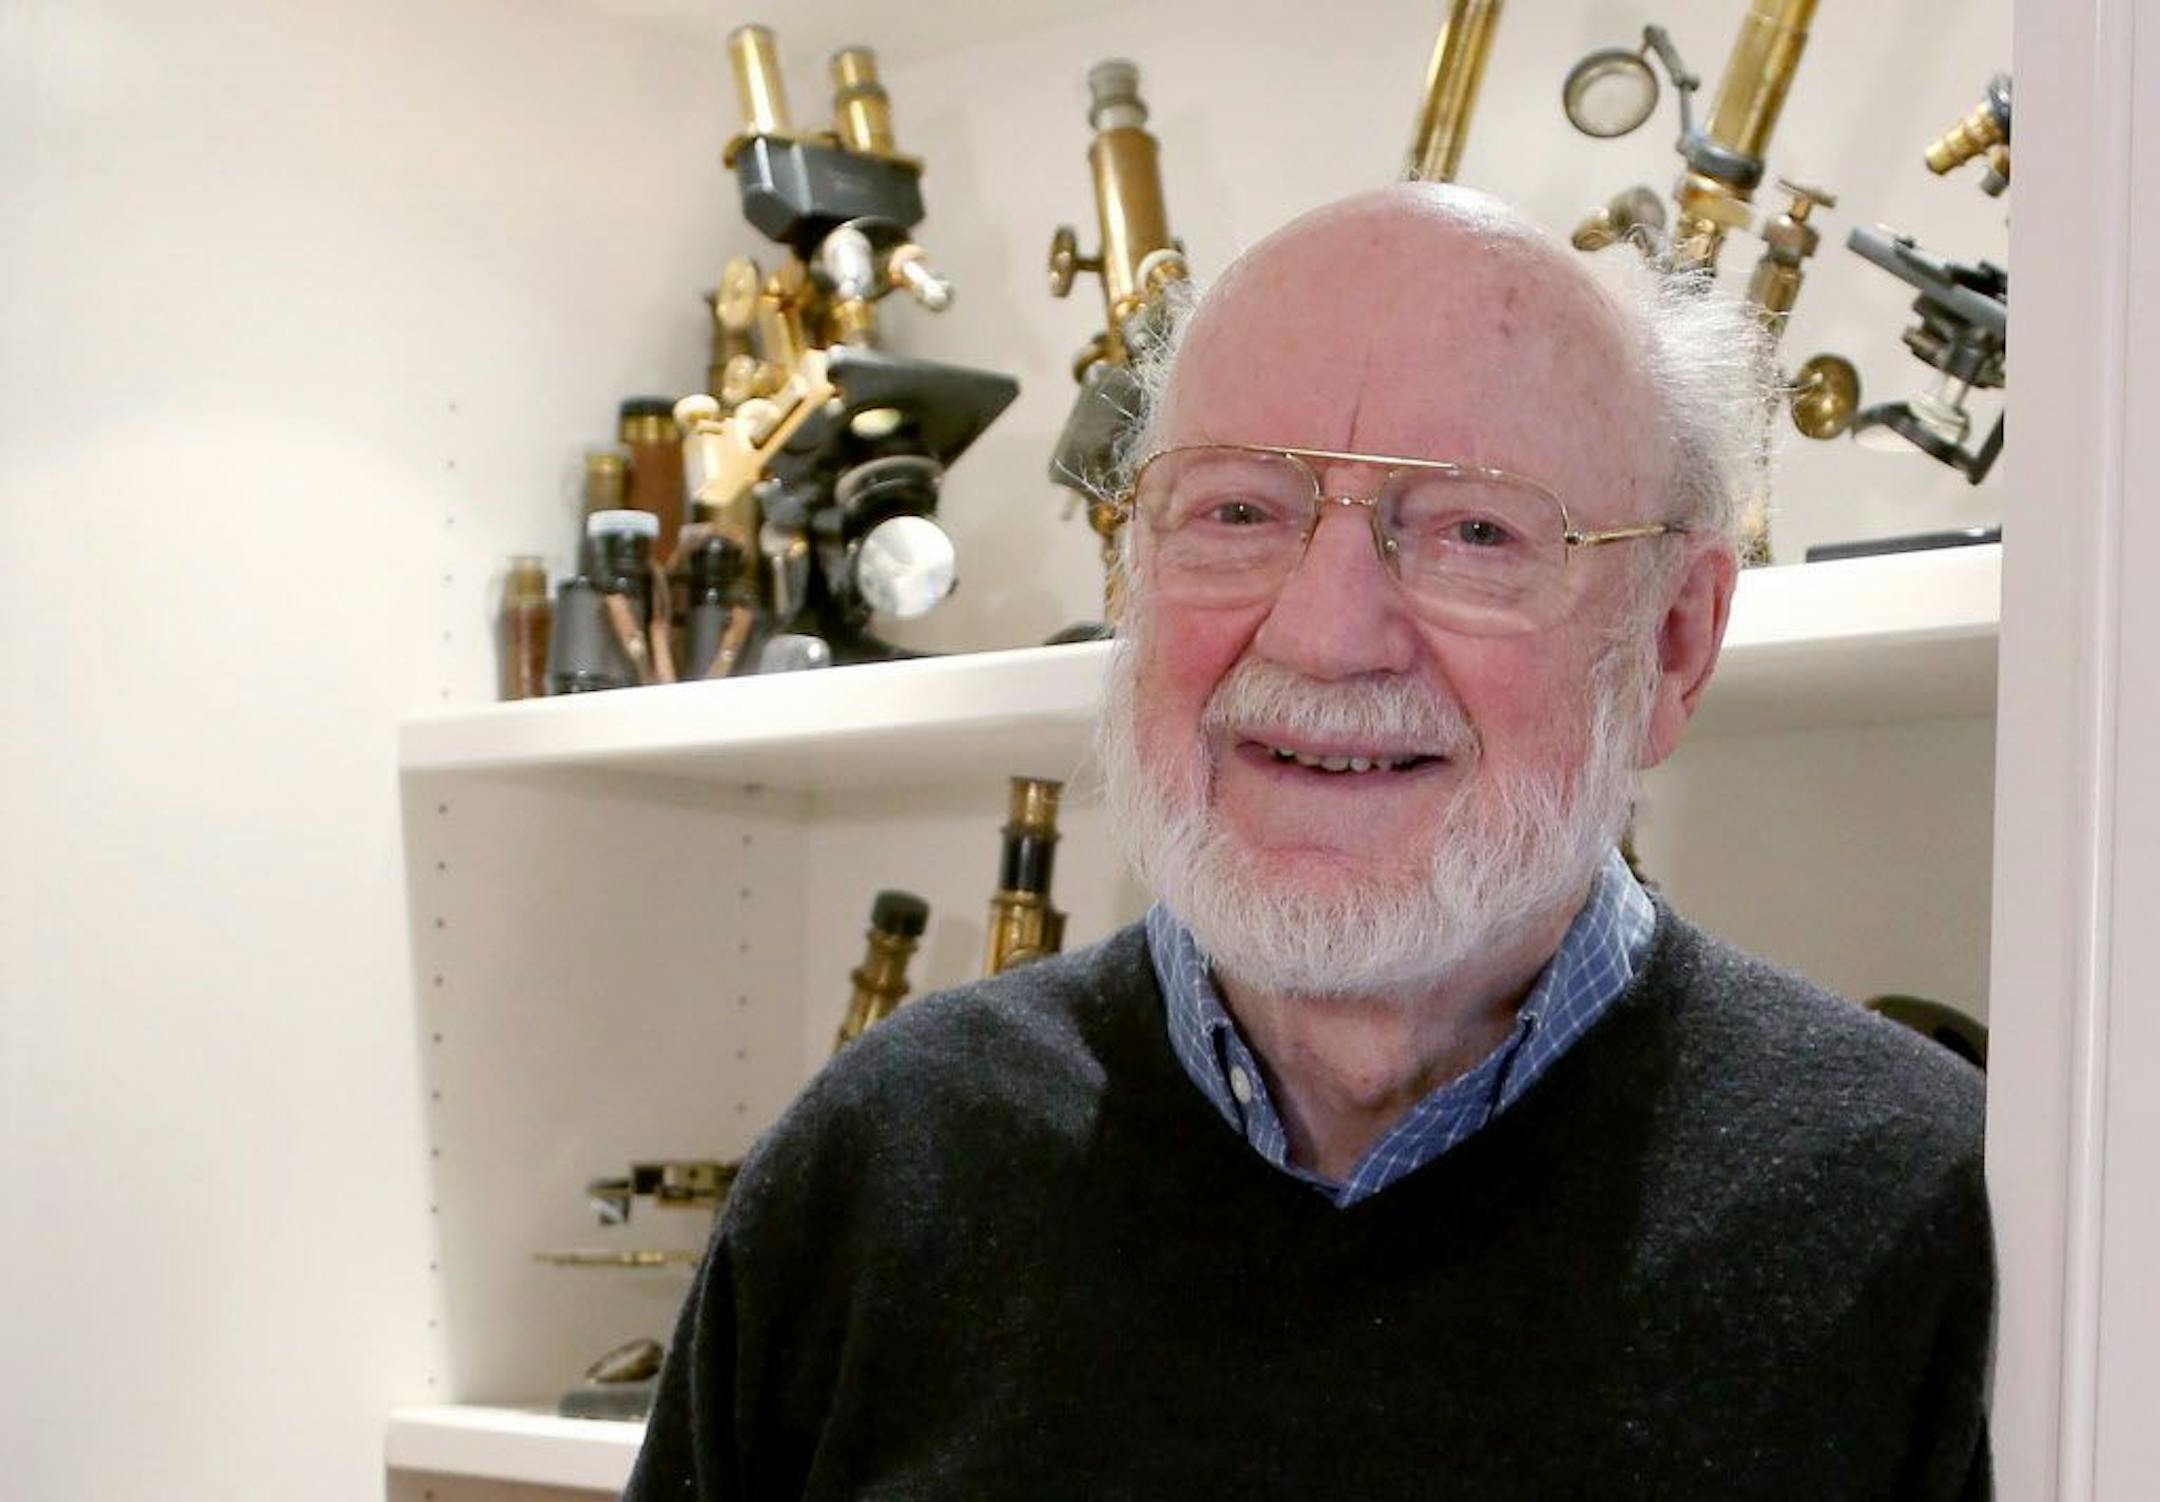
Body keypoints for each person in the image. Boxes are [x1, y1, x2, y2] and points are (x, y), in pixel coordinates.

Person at [625, 183, 1993, 1499]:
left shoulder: (1927, 1215)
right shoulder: (878, 1169)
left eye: (1471, 529)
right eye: (1237, 511)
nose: (1324, 632)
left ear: (1676, 640)